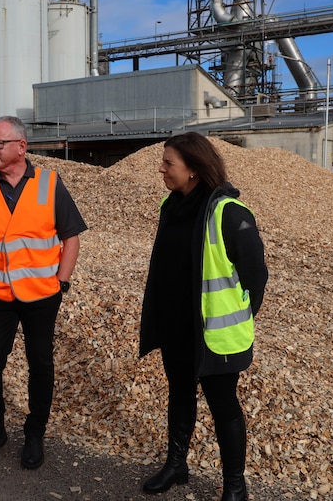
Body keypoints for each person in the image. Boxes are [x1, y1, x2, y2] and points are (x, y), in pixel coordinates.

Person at [138, 132, 268, 501]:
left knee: (224, 406)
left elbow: (256, 276)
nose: (161, 168)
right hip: (177, 326)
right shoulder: (171, 205)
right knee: (180, 395)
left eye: (168, 163)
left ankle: (235, 487)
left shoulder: (229, 212)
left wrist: (244, 312)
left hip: (214, 333)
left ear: (193, 168)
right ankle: (177, 465)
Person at [0, 116, 87, 470]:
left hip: (42, 295)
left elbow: (71, 236)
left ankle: (35, 434)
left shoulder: (50, 183)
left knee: (41, 366)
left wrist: (61, 282)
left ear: (21, 146)